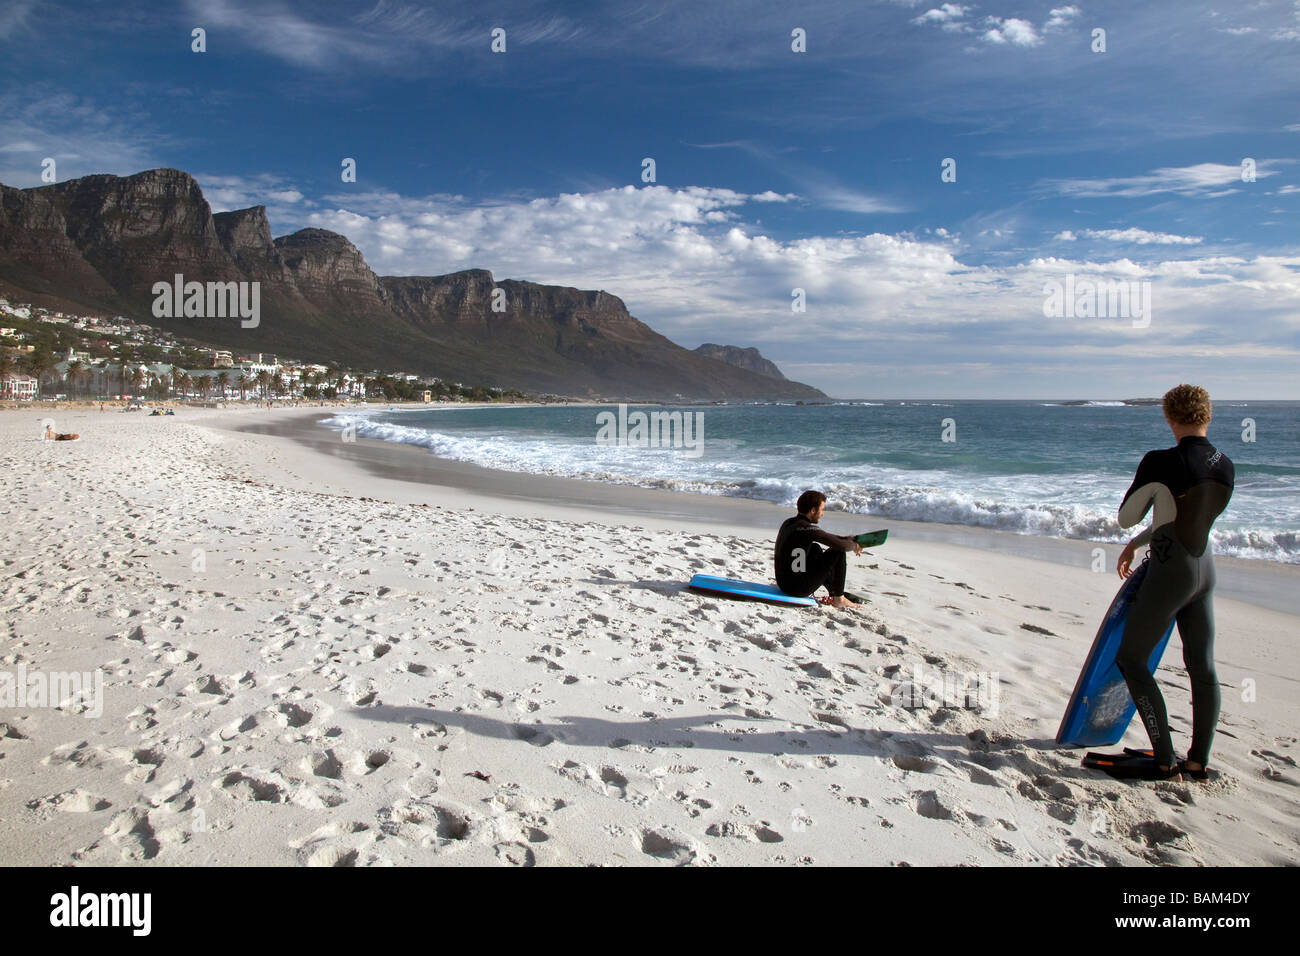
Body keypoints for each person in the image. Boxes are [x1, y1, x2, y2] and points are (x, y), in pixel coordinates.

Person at [1112, 384, 1234, 781]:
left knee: (1131, 659)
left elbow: (1127, 515)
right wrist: (1138, 542)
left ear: (1168, 417)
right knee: (1202, 667)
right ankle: (1197, 761)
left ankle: (1164, 758)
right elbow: (1186, 519)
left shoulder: (1159, 461)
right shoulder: (1224, 463)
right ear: (1208, 415)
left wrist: (1135, 525)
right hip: (1205, 571)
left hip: (1170, 573)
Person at [774, 490, 863, 608]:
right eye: (821, 510)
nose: (822, 514)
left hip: (784, 583)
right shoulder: (805, 528)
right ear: (813, 510)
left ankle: (834, 591)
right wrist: (854, 545)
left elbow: (825, 536)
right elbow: (841, 546)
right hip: (796, 589)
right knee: (837, 551)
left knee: (815, 548)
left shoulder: (790, 523)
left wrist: (847, 538)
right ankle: (839, 598)